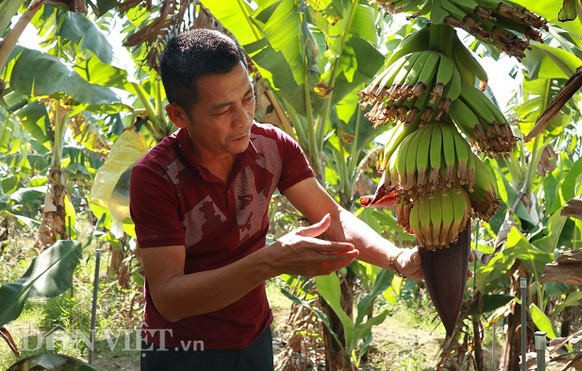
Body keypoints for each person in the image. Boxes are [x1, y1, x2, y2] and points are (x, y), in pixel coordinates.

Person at [129, 28, 423, 371]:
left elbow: (334, 219)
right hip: (181, 350)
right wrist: (271, 261)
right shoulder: (156, 176)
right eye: (223, 110)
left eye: (248, 98)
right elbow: (169, 298)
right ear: (179, 115)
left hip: (254, 338)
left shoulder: (273, 147)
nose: (243, 119)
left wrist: (397, 258)